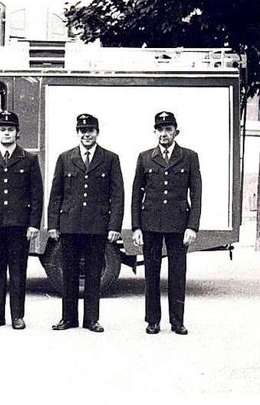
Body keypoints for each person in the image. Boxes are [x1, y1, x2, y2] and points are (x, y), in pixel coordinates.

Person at [48, 114, 124, 333]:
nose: (86, 134)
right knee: (69, 273)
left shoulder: (110, 158)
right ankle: (68, 318)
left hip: (97, 226)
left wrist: (114, 226)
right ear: (77, 133)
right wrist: (53, 224)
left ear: (97, 133)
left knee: (92, 274)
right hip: (70, 225)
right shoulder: (65, 158)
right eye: (82, 131)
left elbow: (117, 195)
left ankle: (91, 319)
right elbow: (56, 194)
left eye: (90, 130)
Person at [131, 111, 202, 336]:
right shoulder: (145, 157)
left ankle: (177, 321)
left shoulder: (189, 156)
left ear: (176, 132)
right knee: (151, 274)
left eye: (168, 129)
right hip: (150, 223)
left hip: (179, 225)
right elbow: (136, 194)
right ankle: (153, 320)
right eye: (160, 129)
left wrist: (192, 226)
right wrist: (136, 227)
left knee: (177, 273)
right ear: (155, 132)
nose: (164, 133)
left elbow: (197, 194)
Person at [0, 110, 44, 330]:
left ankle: (17, 316)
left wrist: (34, 224)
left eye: (10, 129)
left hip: (19, 225)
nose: (6, 133)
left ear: (18, 133)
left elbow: (37, 194)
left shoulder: (29, 159)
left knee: (17, 270)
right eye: (2, 129)